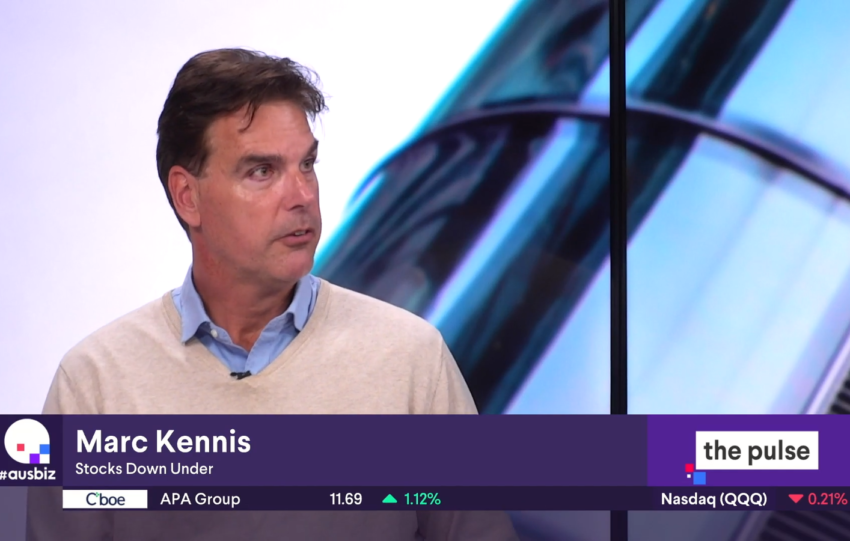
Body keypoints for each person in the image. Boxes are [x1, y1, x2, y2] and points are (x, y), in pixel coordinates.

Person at [26, 48, 519, 540]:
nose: (302, 195)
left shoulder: (410, 358)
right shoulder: (97, 383)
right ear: (187, 196)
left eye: (307, 164)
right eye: (262, 171)